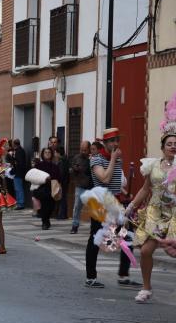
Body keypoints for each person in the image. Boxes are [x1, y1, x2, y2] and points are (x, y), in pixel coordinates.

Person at [126, 96, 176, 303]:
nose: (173, 146)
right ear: (163, 146)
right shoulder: (153, 165)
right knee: (146, 250)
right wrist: (130, 206)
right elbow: (145, 189)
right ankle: (146, 288)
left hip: (174, 213)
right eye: (170, 143)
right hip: (154, 212)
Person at [85, 128, 141, 289]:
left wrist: (125, 196)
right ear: (105, 143)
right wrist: (113, 159)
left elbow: (116, 182)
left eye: (117, 140)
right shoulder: (96, 159)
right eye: (112, 141)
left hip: (116, 203)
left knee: (127, 237)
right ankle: (90, 277)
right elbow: (105, 178)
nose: (116, 143)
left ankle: (123, 276)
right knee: (95, 239)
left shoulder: (116, 158)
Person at [70, 141, 93, 234]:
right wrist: (74, 169)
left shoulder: (92, 158)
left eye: (85, 150)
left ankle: (94, 226)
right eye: (82, 149)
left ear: (89, 149)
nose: (83, 151)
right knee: (77, 207)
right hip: (80, 185)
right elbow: (72, 168)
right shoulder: (76, 157)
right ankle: (75, 226)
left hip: (91, 186)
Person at [35, 148, 60, 230]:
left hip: (52, 188)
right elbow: (35, 176)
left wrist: (52, 179)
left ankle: (47, 220)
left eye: (49, 152)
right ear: (42, 154)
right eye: (45, 152)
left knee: (51, 206)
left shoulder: (55, 166)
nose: (47, 153)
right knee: (44, 206)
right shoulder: (39, 165)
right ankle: (44, 222)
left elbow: (58, 176)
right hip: (42, 188)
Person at [8, 139, 27, 209]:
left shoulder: (19, 151)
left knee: (18, 188)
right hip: (19, 172)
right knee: (17, 188)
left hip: (18, 172)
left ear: (14, 144)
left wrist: (13, 170)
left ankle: (20, 203)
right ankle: (19, 202)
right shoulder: (19, 150)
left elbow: (18, 162)